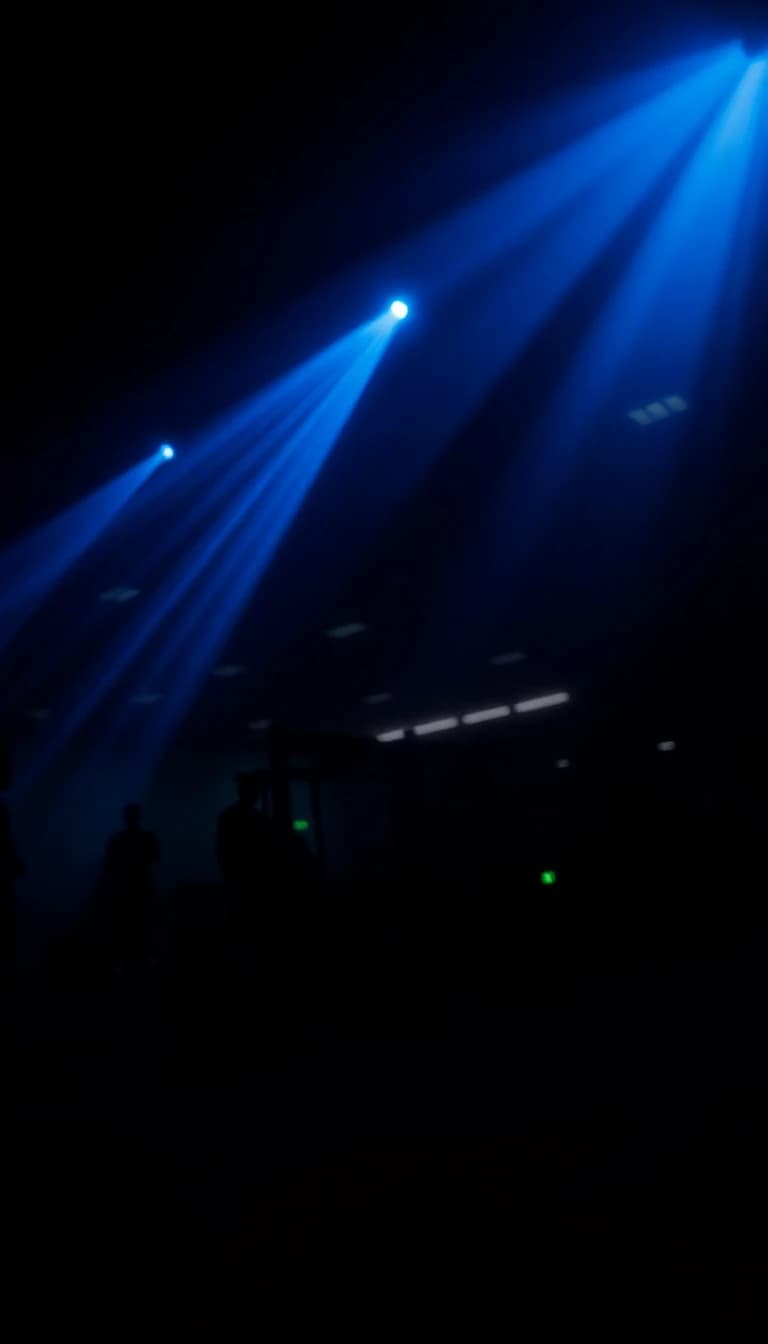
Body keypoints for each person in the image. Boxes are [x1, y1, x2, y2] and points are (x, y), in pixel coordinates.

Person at [217, 774, 282, 933]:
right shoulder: (257, 818)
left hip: (243, 875)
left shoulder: (231, 816)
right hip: (249, 876)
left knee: (242, 914)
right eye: (253, 792)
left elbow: (222, 847)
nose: (255, 796)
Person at [104, 804, 159, 968]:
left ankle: (124, 959)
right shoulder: (146, 837)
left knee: (126, 923)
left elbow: (109, 864)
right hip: (139, 885)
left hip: (127, 887)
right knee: (141, 922)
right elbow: (155, 858)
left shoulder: (117, 839)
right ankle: (143, 958)